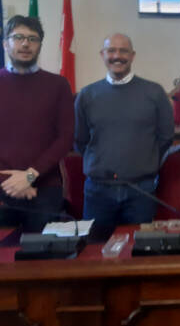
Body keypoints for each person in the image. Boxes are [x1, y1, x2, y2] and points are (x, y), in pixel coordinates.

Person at [0, 15, 74, 232]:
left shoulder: (58, 85)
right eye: (19, 37)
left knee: (43, 262)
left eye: (33, 39)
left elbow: (65, 138)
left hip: (44, 193)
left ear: (40, 45)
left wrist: (30, 176)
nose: (25, 43)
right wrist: (10, 182)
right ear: (6, 43)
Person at [74, 33, 174, 229]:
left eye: (123, 51)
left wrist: (142, 163)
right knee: (95, 250)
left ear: (132, 55)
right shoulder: (87, 95)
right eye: (111, 50)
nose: (117, 56)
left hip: (141, 190)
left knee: (139, 252)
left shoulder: (154, 93)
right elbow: (80, 140)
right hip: (98, 191)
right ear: (102, 55)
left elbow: (165, 138)